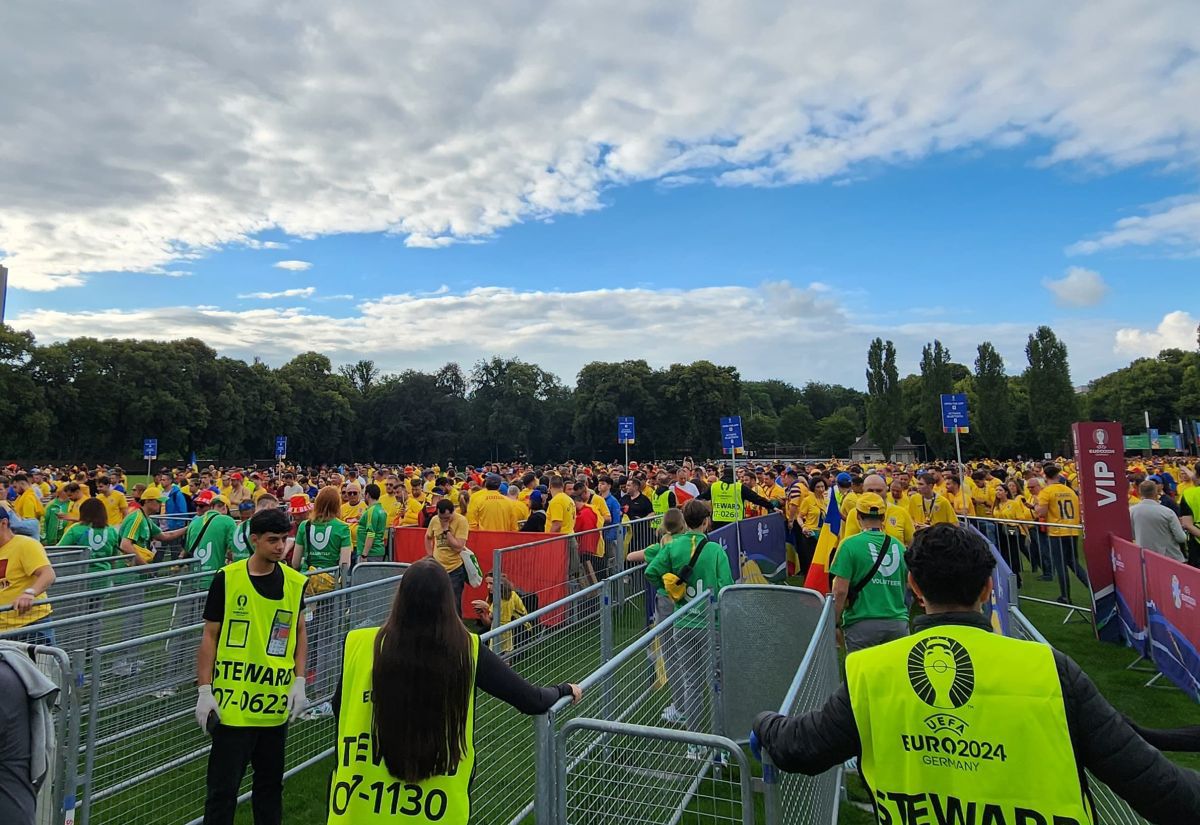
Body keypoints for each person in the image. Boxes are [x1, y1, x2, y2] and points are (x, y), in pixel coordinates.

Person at [752, 524, 1200, 825]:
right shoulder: (1049, 668)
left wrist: (763, 723)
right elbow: (1163, 792)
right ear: (989, 588)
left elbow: (801, 749)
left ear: (915, 590)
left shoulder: (870, 670)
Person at [326, 558, 580, 824]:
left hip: (359, 805)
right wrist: (563, 689)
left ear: (400, 597)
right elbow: (532, 700)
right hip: (434, 809)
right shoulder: (466, 649)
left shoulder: (359, 643)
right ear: (448, 601)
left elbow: (338, 707)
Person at [195, 508, 308, 825]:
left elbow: (300, 632)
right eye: (273, 540)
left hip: (273, 706)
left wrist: (299, 681)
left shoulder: (295, 583)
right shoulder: (227, 579)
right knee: (221, 792)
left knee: (270, 788)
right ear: (254, 539)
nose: (280, 546)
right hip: (233, 707)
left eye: (284, 539)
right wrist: (204, 690)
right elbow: (210, 636)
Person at [646, 500, 733, 734]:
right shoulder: (715, 550)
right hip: (709, 622)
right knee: (715, 683)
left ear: (686, 521)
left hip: (683, 622)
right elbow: (727, 587)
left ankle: (694, 744)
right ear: (706, 522)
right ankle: (719, 744)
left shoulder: (673, 546)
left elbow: (651, 571)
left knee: (691, 681)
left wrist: (670, 591)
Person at [830, 493, 908, 652]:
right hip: (897, 622)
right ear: (883, 517)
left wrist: (834, 621)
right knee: (894, 674)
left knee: (860, 674)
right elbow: (907, 584)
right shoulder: (900, 547)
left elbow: (840, 590)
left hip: (862, 623)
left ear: (858, 516)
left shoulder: (849, 545)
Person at [0, 508, 55, 644]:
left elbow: (48, 574)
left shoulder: (25, 545)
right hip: (3, 630)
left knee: (41, 665)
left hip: (30, 626)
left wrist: (29, 593)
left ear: (4, 523)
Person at [1035, 464, 1087, 604]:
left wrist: (1036, 506)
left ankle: (1065, 595)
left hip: (1057, 531)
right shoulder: (1070, 491)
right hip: (1071, 529)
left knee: (1061, 564)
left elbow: (1042, 512)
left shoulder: (1046, 492)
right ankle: (1092, 589)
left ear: (1045, 476)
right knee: (1073, 562)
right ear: (1058, 476)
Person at [424, 498, 470, 615]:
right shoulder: (434, 520)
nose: (443, 520)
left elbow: (458, 546)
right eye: (441, 518)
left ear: (453, 512)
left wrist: (446, 530)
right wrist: (430, 555)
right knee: (434, 602)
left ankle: (456, 630)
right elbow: (428, 537)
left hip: (454, 569)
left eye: (447, 518)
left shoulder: (461, 521)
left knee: (454, 604)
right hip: (437, 568)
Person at [1130, 479, 1188, 562]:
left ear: (1139, 492)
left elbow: (1133, 534)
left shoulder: (1131, 511)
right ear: (1156, 492)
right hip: (1169, 557)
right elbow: (1181, 538)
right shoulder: (1168, 512)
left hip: (1145, 557)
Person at [698, 466, 775, 528]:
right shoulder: (739, 487)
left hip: (717, 522)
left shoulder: (714, 486)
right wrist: (772, 507)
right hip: (735, 523)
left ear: (723, 475)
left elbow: (701, 498)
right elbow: (757, 499)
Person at [356, 483, 390, 561]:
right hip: (378, 551)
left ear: (367, 495)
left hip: (370, 553)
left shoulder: (372, 511)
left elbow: (371, 534)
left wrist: (364, 555)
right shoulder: (381, 510)